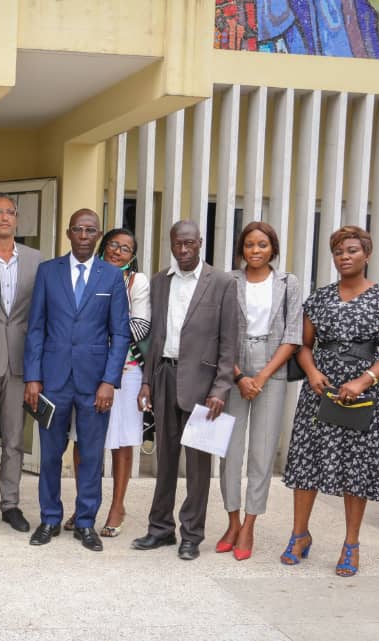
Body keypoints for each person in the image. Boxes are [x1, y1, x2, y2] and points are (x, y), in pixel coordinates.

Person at [281, 225, 379, 577]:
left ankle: (351, 544)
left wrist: (364, 380)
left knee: (357, 467)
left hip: (363, 392)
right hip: (320, 389)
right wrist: (311, 372)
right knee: (307, 461)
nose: (344, 257)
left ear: (367, 254)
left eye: (352, 250)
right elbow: (304, 344)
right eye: (338, 252)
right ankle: (299, 535)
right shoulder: (319, 298)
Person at [132, 220, 239, 561]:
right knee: (164, 460)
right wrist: (147, 381)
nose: (183, 249)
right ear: (171, 243)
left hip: (204, 386)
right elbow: (154, 338)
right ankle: (160, 529)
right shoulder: (160, 281)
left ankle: (191, 535)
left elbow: (229, 341)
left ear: (200, 242)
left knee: (197, 466)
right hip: (164, 376)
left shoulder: (221, 282)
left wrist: (221, 388)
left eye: (189, 243)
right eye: (178, 243)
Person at [24, 209, 130, 551]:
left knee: (91, 456)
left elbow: (120, 334)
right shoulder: (48, 272)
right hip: (52, 380)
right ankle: (49, 518)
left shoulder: (111, 276)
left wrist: (109, 381)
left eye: (90, 230)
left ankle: (85, 522)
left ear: (98, 235)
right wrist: (32, 377)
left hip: (94, 382)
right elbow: (36, 328)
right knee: (50, 455)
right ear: (69, 233)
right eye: (78, 230)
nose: (84, 236)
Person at [215, 222, 301, 560]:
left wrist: (262, 376)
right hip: (233, 365)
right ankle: (232, 522)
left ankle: (249, 525)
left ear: (272, 249)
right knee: (230, 451)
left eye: (262, 245)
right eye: (249, 244)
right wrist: (238, 376)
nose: (255, 250)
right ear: (241, 248)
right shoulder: (228, 281)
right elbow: (218, 332)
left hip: (272, 364)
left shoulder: (288, 282)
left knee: (262, 454)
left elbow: (292, 334)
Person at [61, 228, 150, 537]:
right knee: (83, 440)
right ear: (103, 246)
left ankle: (117, 506)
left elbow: (140, 326)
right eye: (113, 244)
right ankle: (83, 506)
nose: (117, 251)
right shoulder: (88, 274)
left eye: (125, 248)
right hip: (86, 372)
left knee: (121, 441)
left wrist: (98, 337)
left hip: (125, 372)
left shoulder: (137, 282)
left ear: (132, 256)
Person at [0, 195, 41, 533]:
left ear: (17, 219)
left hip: (20, 361)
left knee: (14, 440)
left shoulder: (36, 260)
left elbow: (41, 314)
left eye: (11, 212)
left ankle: (10, 504)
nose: (5, 217)